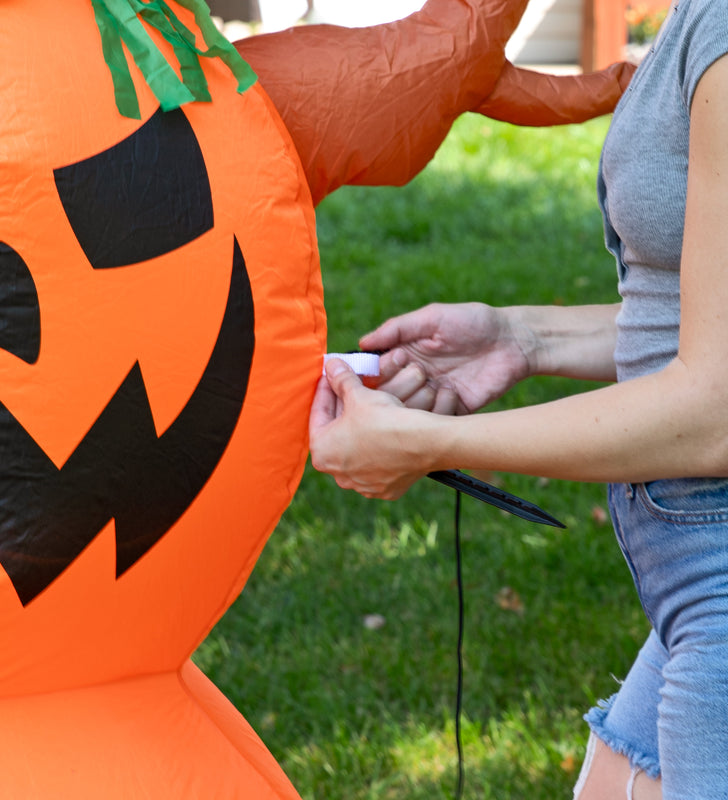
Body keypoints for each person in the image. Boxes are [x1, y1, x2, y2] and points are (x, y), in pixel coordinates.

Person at [309, 1, 728, 797]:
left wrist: (433, 445)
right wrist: (519, 338)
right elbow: (702, 314)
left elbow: (715, 411)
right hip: (690, 590)